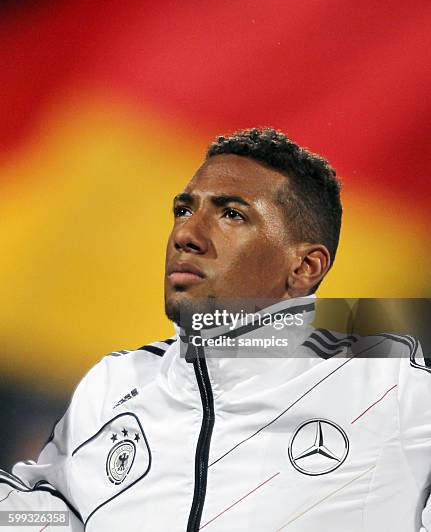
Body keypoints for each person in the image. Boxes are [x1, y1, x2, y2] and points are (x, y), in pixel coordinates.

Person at [1, 128, 430, 531]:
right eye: (184, 210)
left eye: (232, 214)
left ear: (305, 267)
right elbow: (59, 518)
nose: (186, 233)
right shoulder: (116, 382)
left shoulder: (392, 387)